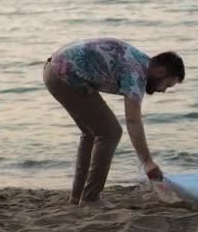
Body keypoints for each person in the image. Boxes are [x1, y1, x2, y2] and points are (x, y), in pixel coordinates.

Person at [43, 38, 185, 206]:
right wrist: (147, 162)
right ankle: (90, 198)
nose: (162, 91)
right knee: (110, 132)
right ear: (161, 72)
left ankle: (77, 197)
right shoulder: (136, 74)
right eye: (167, 85)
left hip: (54, 69)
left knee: (91, 133)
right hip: (64, 76)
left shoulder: (138, 61)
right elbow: (133, 120)